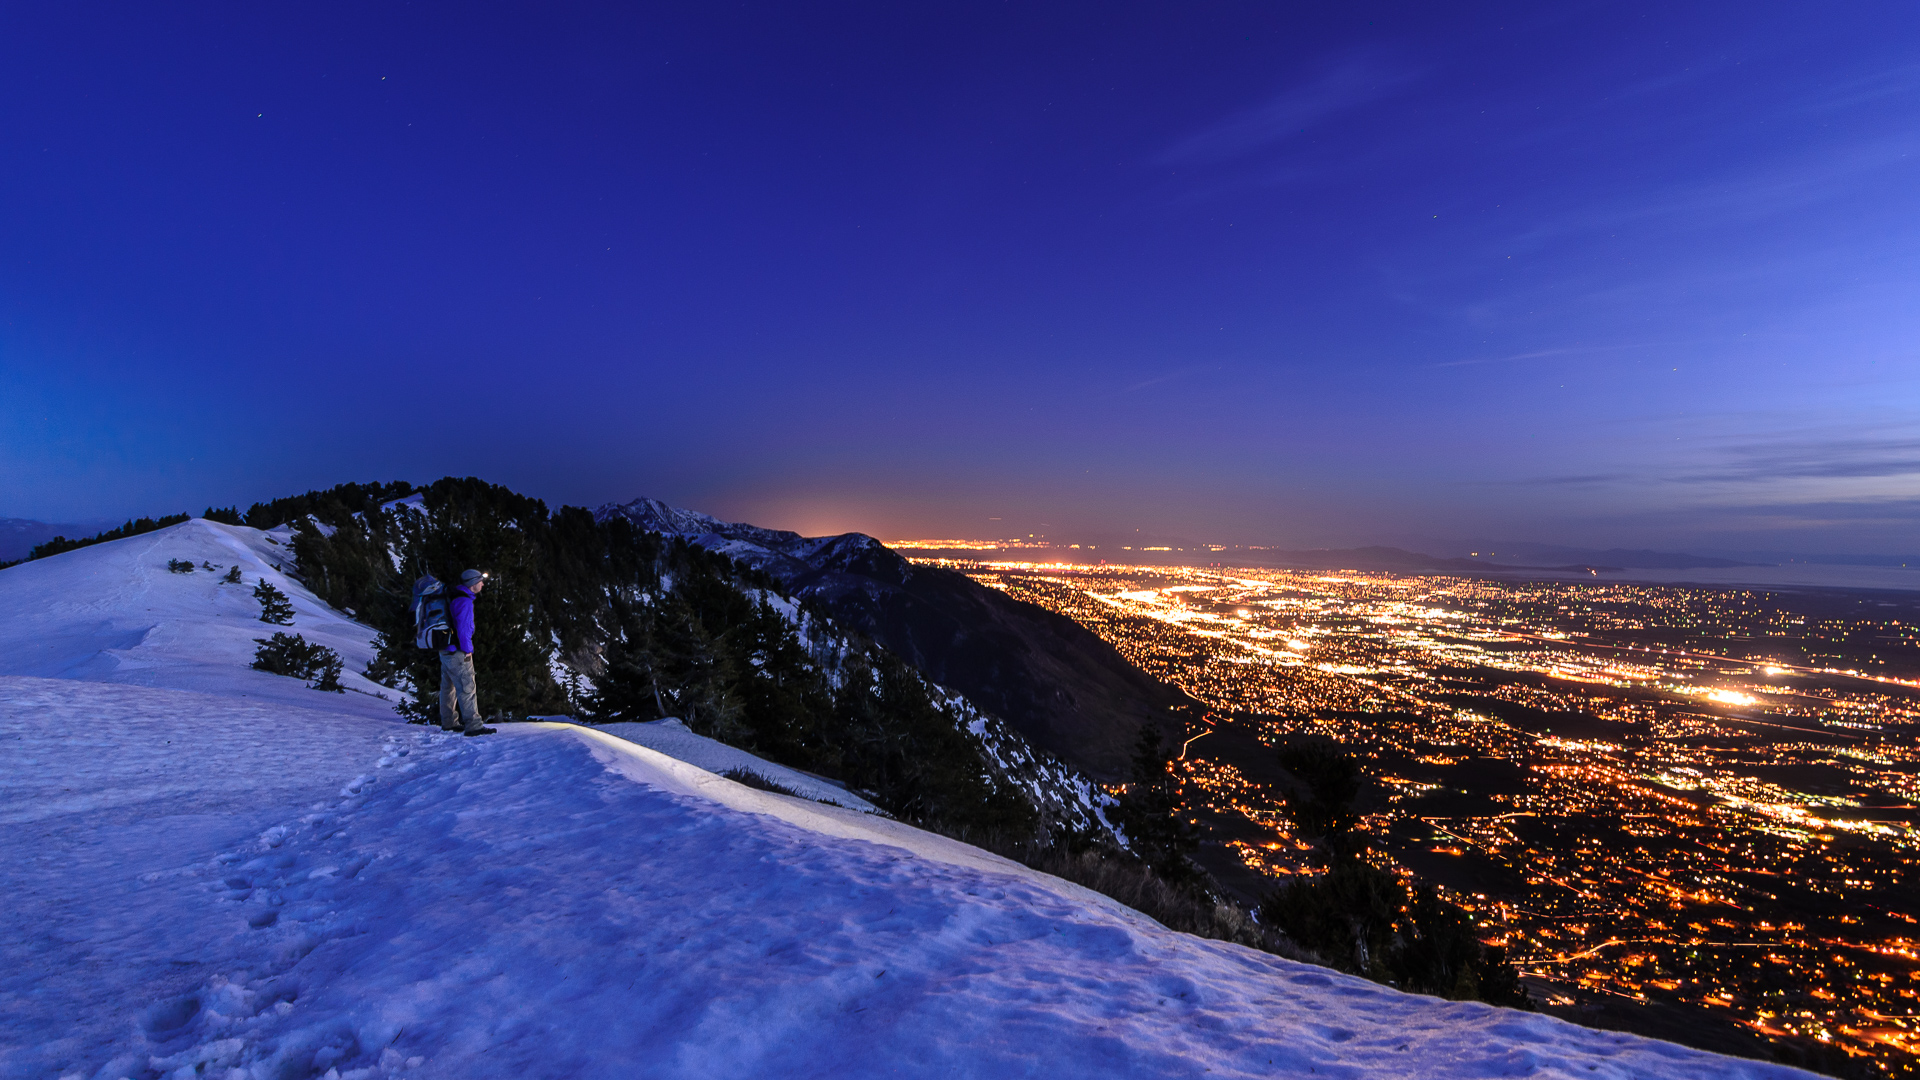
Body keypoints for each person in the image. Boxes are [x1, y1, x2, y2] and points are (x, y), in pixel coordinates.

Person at [440, 569, 496, 736]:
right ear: (472, 584)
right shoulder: (464, 602)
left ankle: (449, 722)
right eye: (480, 581)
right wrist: (468, 650)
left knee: (447, 688)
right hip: (458, 651)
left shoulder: (454, 595)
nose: (482, 584)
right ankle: (474, 725)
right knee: (467, 687)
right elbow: (464, 630)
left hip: (445, 649)